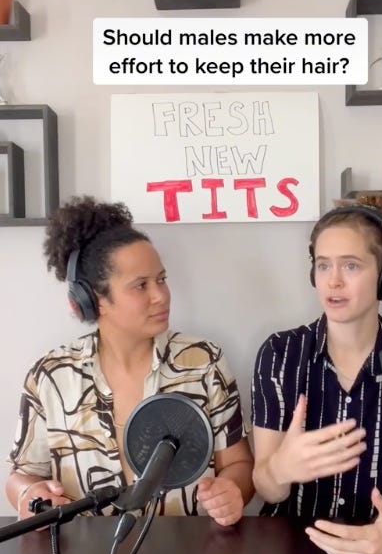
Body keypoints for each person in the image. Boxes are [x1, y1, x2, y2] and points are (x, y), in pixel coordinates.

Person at [6, 196, 254, 525]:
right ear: (93, 301)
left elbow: (239, 465)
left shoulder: (203, 362)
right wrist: (28, 496)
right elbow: (21, 476)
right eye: (140, 286)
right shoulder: (51, 376)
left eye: (162, 280)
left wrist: (231, 492)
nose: (161, 295)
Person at [251, 193, 382, 554]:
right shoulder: (280, 354)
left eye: (351, 266)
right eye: (323, 266)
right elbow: (267, 488)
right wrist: (281, 468)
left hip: (381, 551)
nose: (333, 282)